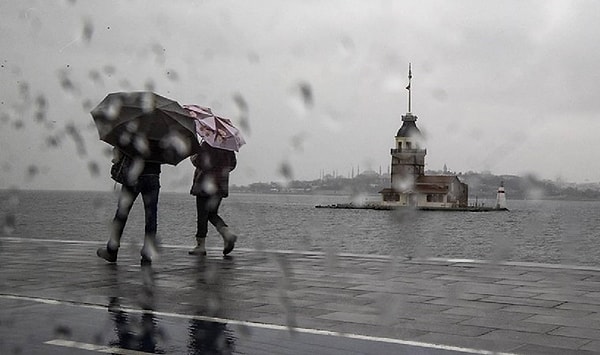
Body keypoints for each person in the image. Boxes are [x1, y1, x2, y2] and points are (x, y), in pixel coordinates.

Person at [97, 148, 162, 264]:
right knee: (151, 216)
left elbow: (122, 148)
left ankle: (112, 250)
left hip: (133, 175)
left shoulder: (135, 130)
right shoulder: (162, 133)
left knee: (122, 214)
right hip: (153, 175)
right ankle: (147, 253)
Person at [188, 141, 238, 256]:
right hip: (220, 185)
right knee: (212, 213)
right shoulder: (227, 146)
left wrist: (193, 157)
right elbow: (233, 164)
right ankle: (227, 233)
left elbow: (200, 162)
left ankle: (201, 245)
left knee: (202, 215)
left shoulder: (207, 144)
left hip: (205, 185)